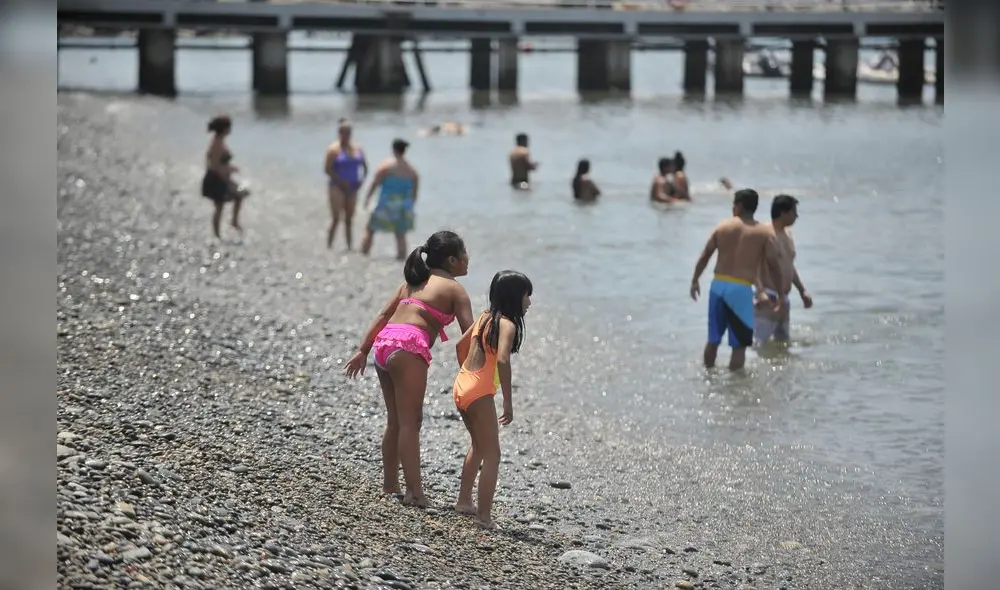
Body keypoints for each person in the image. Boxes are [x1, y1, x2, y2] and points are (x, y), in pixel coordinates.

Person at [344, 231, 475, 507]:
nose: (468, 259)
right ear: (452, 260)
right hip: (408, 347)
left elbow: (383, 316)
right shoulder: (455, 289)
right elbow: (469, 335)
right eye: (465, 254)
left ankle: (390, 484)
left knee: (396, 419)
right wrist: (473, 369)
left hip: (384, 343)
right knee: (410, 422)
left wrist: (363, 350)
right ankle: (414, 493)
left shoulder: (411, 284)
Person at [452, 270, 533, 529]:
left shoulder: (484, 317)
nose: (529, 303)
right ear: (514, 297)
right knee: (493, 456)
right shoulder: (507, 324)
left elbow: (459, 347)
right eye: (526, 296)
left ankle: (464, 501)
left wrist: (467, 377)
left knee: (478, 445)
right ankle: (484, 517)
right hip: (478, 392)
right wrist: (507, 402)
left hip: (463, 384)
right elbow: (502, 360)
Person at [689, 188, 786, 370]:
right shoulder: (764, 232)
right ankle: (735, 387)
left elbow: (705, 255)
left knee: (713, 340)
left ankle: (708, 378)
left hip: (718, 286)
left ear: (739, 206)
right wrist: (780, 295)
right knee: (739, 345)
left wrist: (695, 280)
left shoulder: (723, 226)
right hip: (740, 288)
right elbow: (773, 265)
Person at [754, 194, 813, 345]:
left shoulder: (788, 235)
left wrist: (802, 290)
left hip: (784, 299)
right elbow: (751, 265)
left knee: (782, 346)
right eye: (794, 212)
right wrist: (760, 292)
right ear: (783, 212)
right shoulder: (765, 234)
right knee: (760, 345)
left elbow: (789, 266)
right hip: (768, 298)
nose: (797, 216)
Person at [361, 139, 419, 261]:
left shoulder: (386, 166)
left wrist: (367, 198)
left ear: (393, 149)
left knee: (370, 230)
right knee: (400, 235)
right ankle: (401, 262)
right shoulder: (412, 170)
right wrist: (411, 206)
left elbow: (375, 183)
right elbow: (414, 192)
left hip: (387, 203)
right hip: (404, 205)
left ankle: (362, 257)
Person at [200, 115, 249, 239]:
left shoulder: (220, 140)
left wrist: (231, 168)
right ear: (224, 128)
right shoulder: (217, 143)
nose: (231, 130)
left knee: (239, 196)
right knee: (220, 206)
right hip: (217, 178)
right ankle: (217, 234)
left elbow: (215, 161)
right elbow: (215, 165)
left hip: (221, 176)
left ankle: (233, 222)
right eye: (229, 127)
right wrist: (225, 175)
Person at [324, 118, 368, 250]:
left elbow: (365, 167)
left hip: (353, 186)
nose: (346, 135)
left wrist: (361, 181)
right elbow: (327, 169)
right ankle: (329, 246)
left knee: (349, 218)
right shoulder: (333, 149)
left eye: (348, 132)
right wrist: (340, 181)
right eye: (344, 132)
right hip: (337, 186)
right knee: (336, 218)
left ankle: (349, 246)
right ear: (339, 133)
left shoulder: (357, 148)